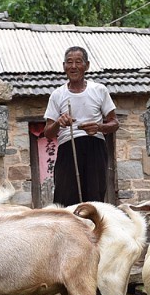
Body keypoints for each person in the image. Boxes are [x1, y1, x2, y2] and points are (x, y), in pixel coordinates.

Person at [42, 46, 117, 205]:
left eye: (78, 62)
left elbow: (114, 122)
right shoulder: (58, 95)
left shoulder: (99, 90)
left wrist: (99, 127)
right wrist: (58, 122)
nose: (73, 66)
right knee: (65, 198)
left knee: (94, 199)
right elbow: (48, 132)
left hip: (95, 147)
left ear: (87, 65)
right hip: (68, 149)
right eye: (69, 62)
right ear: (64, 66)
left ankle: (92, 230)